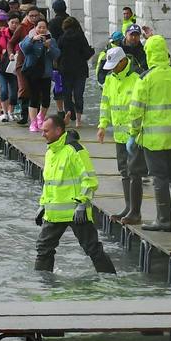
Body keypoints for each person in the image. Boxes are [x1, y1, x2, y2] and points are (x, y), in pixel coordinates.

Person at [34, 113, 116, 273]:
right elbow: (49, 183)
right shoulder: (51, 151)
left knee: (92, 249)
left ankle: (110, 280)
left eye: (46, 131)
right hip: (55, 212)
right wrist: (43, 205)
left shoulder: (75, 150)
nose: (42, 134)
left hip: (77, 212)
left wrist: (82, 204)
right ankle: (42, 285)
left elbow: (90, 180)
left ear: (58, 131)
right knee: (43, 249)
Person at [128, 35, 171, 232]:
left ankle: (164, 220)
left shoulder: (145, 79)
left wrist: (133, 134)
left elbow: (136, 111)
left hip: (153, 140)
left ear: (149, 54)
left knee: (160, 178)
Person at [96, 47, 146, 225]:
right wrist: (102, 125)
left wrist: (137, 132)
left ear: (124, 61)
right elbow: (105, 103)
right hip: (119, 135)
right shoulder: (110, 79)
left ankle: (135, 212)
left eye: (114, 65)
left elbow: (141, 106)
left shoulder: (137, 78)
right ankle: (128, 207)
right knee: (124, 172)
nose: (112, 69)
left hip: (135, 134)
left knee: (135, 172)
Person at [19, 19, 61, 132]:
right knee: (34, 97)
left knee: (46, 98)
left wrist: (48, 47)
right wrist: (33, 40)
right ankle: (33, 122)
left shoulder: (51, 40)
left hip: (46, 73)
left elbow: (56, 54)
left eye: (44, 27)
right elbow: (24, 49)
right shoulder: (30, 37)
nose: (42, 29)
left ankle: (41, 117)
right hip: (32, 72)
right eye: (39, 27)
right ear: (35, 28)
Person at [55, 15, 95, 126]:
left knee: (67, 95)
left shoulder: (62, 38)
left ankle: (68, 115)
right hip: (80, 70)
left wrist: (57, 66)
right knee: (78, 95)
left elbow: (57, 55)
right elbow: (87, 52)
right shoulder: (81, 37)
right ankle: (78, 120)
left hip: (65, 70)